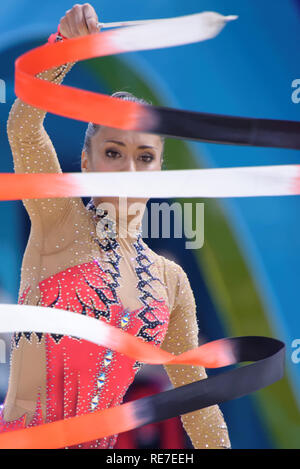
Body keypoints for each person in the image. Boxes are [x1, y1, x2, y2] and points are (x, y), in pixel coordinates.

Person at [0, 3, 231, 449]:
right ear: (86, 161)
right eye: (113, 152)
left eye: (144, 157)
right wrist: (64, 48)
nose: (129, 167)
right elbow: (24, 128)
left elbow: (199, 405)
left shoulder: (170, 281)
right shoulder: (58, 219)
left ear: (159, 170)